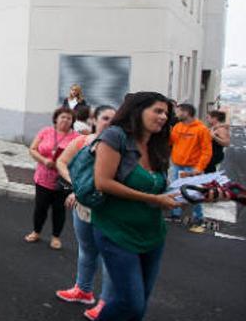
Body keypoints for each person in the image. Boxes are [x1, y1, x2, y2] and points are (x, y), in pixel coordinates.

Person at [91, 91, 213, 321]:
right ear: (138, 111)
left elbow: (161, 189)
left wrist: (198, 194)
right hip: (116, 231)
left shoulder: (158, 143)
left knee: (140, 304)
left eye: (166, 113)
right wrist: (154, 200)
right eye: (157, 111)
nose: (164, 117)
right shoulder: (115, 137)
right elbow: (103, 182)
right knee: (131, 303)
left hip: (152, 235)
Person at [55, 105, 117, 320]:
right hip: (83, 207)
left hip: (108, 210)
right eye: (105, 118)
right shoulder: (82, 141)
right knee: (87, 249)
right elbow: (61, 162)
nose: (110, 122)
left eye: (114, 119)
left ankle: (106, 303)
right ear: (94, 120)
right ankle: (83, 290)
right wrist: (76, 187)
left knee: (109, 256)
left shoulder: (121, 147)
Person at [25, 107, 80, 249]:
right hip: (43, 177)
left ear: (72, 121)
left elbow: (80, 158)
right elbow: (32, 149)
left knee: (59, 209)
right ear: (56, 118)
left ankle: (56, 237)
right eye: (63, 117)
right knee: (40, 208)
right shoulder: (46, 131)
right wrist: (44, 160)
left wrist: (66, 163)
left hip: (63, 180)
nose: (66, 120)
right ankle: (36, 232)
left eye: (69, 118)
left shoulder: (76, 138)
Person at [169, 103, 213, 232]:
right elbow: (170, 142)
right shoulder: (177, 127)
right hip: (177, 165)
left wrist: (199, 167)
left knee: (195, 193)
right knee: (176, 189)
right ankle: (175, 214)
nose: (176, 114)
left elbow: (207, 151)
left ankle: (198, 217)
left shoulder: (201, 129)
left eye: (178, 112)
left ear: (186, 112)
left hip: (193, 168)